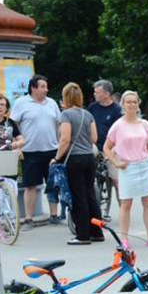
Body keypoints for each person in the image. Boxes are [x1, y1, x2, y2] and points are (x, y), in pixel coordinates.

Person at [104, 90, 148, 247]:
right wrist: (116, 163)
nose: (132, 104)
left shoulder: (145, 124)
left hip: (145, 164)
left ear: (138, 104)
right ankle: (124, 239)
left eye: (134, 101)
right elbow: (106, 148)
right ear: (123, 104)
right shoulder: (118, 125)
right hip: (128, 167)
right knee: (126, 204)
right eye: (128, 102)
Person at [52, 83, 102, 245]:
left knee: (77, 196)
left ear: (65, 97)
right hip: (88, 157)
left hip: (74, 159)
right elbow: (94, 138)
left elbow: (65, 139)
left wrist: (57, 157)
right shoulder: (87, 114)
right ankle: (97, 231)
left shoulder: (65, 115)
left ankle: (83, 235)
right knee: (90, 195)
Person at [10, 74, 61, 226]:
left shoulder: (51, 103)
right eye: (43, 86)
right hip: (30, 151)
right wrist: (17, 145)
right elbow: (13, 126)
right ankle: (29, 217)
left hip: (51, 149)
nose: (46, 89)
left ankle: (54, 215)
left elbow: (59, 124)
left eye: (46, 86)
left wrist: (59, 146)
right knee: (30, 185)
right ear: (33, 88)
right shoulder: (21, 103)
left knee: (53, 184)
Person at [87, 79, 123, 196]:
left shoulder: (117, 110)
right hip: (94, 146)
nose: (94, 94)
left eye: (97, 92)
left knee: (116, 180)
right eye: (94, 91)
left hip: (111, 149)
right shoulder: (92, 107)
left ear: (107, 94)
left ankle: (122, 208)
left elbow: (120, 133)